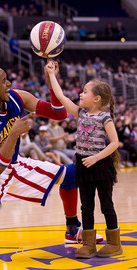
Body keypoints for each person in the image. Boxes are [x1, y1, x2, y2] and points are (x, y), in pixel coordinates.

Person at [0, 64, 82, 263]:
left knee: (72, 174)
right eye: (3, 81)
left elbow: (58, 113)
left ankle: (72, 229)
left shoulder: (17, 97)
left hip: (11, 162)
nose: (9, 83)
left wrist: (51, 79)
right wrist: (14, 134)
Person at [45, 60, 122, 258]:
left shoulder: (105, 117)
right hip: (83, 164)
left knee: (106, 204)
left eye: (85, 91)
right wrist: (52, 74)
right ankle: (88, 244)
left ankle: (114, 243)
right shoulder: (80, 113)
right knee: (86, 206)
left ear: (96, 98)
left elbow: (114, 143)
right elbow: (61, 96)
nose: (80, 93)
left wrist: (96, 157)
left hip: (100, 164)